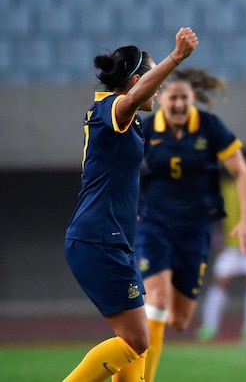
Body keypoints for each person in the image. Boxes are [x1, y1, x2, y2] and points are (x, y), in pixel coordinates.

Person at [63, 27, 198, 382]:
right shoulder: (113, 109)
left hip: (112, 241)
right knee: (137, 338)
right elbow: (133, 97)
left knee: (136, 341)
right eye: (154, 76)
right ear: (139, 79)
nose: (161, 87)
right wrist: (175, 58)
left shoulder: (130, 123)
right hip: (98, 240)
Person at [134, 68, 246, 381]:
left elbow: (240, 172)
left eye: (183, 98)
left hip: (195, 228)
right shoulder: (146, 130)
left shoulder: (209, 126)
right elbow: (124, 173)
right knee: (156, 300)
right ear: (160, 99)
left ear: (193, 99)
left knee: (179, 320)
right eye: (172, 98)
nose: (177, 104)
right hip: (154, 224)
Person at [198, 147, 246, 344]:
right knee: (220, 282)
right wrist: (215, 239)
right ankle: (209, 327)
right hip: (230, 246)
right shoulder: (223, 188)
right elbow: (214, 216)